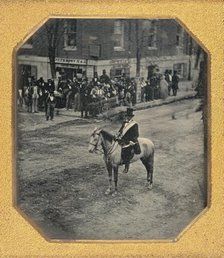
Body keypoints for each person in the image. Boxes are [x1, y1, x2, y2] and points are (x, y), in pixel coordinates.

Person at [115, 107, 141, 174]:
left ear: (131, 117)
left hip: (130, 140)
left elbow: (136, 134)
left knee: (127, 150)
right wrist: (118, 134)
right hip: (123, 139)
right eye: (127, 116)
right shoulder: (124, 122)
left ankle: (126, 167)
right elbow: (121, 130)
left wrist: (131, 141)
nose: (128, 117)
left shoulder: (135, 124)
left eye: (129, 116)